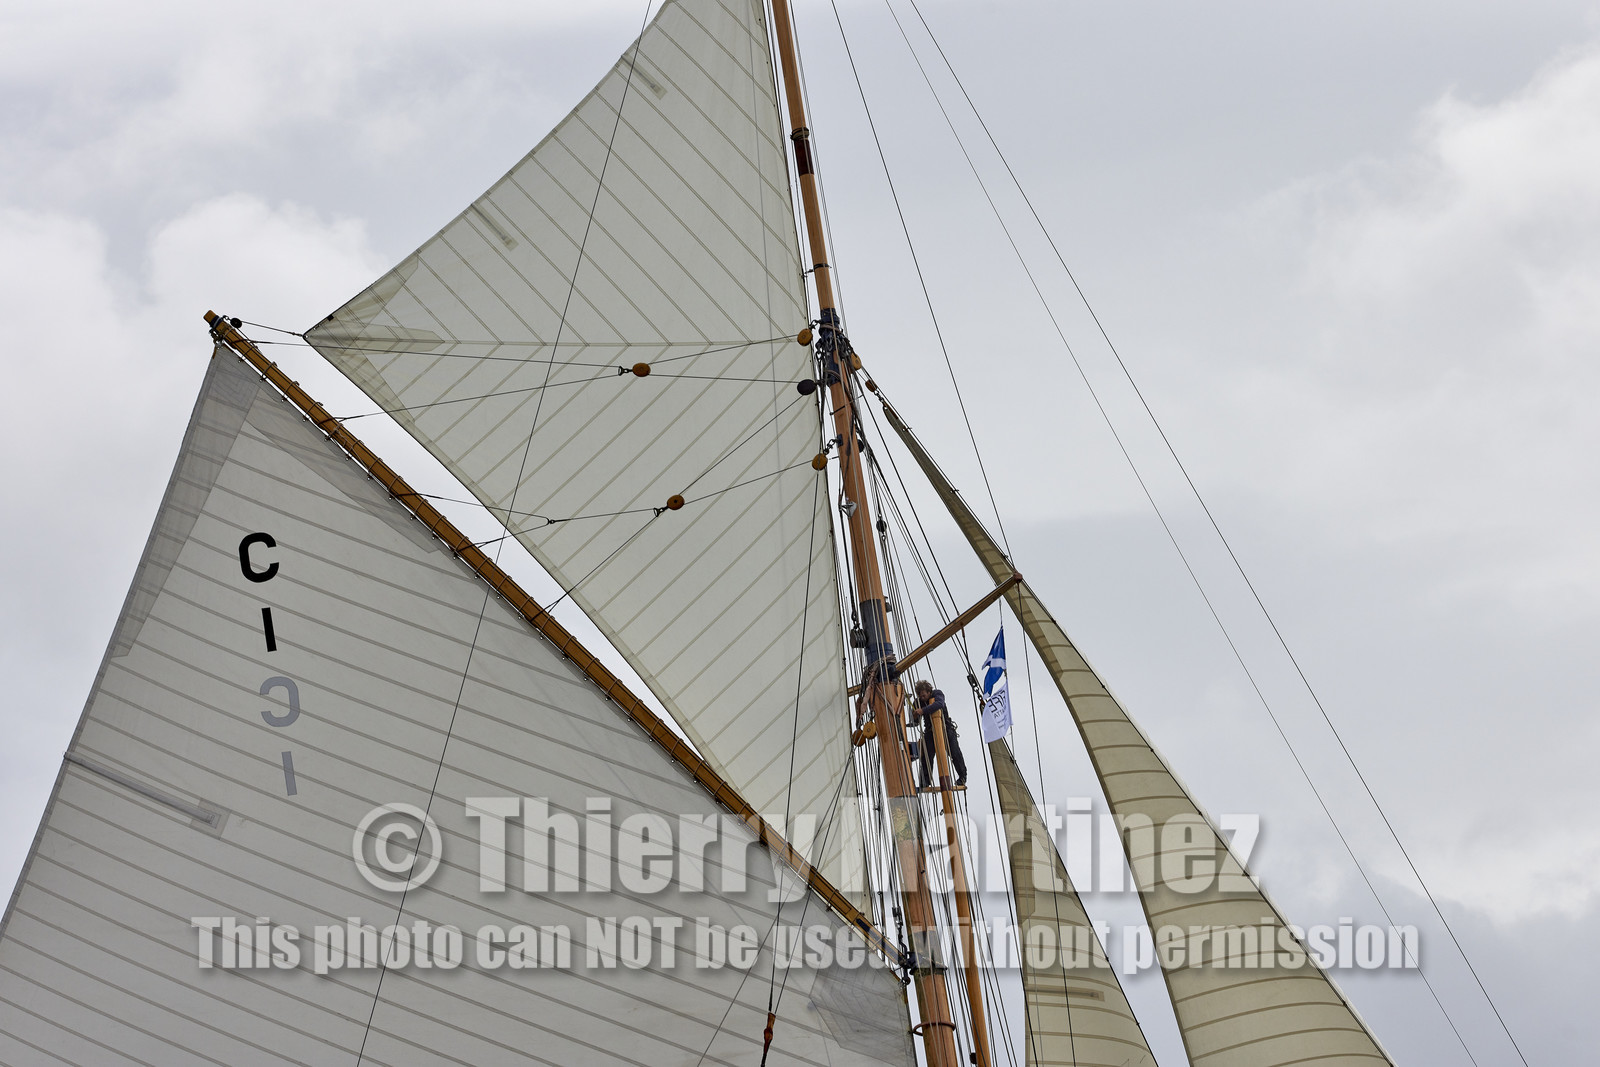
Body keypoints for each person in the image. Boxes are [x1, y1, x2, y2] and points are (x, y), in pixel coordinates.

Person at [910, 680, 967, 789]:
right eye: (920, 696)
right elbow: (915, 720)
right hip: (930, 732)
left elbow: (939, 704)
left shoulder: (937, 694)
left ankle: (962, 777)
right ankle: (924, 781)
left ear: (929, 691)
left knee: (955, 753)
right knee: (926, 756)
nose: (923, 698)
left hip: (946, 729)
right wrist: (915, 716)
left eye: (924, 695)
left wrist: (922, 711)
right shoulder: (918, 702)